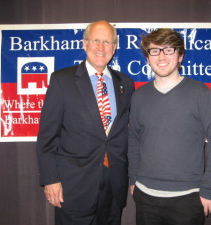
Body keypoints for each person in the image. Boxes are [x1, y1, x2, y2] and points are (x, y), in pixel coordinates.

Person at [37, 20, 134, 225]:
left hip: (114, 185)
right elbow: (48, 136)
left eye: (107, 42)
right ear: (84, 43)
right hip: (74, 186)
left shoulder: (125, 83)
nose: (101, 48)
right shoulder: (62, 80)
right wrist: (51, 178)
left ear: (114, 48)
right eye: (96, 41)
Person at [128, 28, 211, 225]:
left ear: (180, 56)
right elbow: (134, 140)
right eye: (154, 51)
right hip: (145, 196)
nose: (161, 56)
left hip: (188, 198)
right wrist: (133, 180)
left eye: (169, 50)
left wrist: (208, 189)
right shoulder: (139, 96)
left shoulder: (200, 93)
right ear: (148, 58)